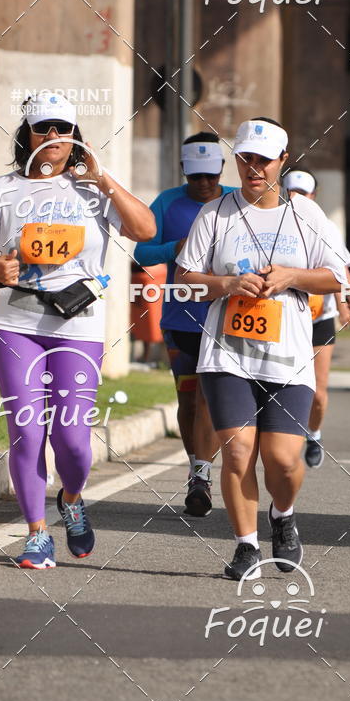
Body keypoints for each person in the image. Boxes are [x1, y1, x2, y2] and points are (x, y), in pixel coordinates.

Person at [0, 91, 155, 569]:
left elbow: (146, 230)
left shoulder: (95, 190)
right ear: (26, 135)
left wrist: (104, 177)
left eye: (62, 128)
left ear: (75, 137)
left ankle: (71, 498)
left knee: (72, 438)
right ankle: (35, 534)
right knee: (27, 432)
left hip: (79, 326)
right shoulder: (3, 190)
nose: (52, 136)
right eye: (42, 127)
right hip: (15, 323)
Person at [175, 117, 348, 580]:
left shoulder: (306, 215)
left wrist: (293, 276)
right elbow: (184, 281)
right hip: (227, 354)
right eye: (245, 158)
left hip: (289, 356)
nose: (253, 168)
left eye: (263, 160)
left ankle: (283, 516)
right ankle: (246, 547)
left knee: (283, 459)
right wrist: (225, 283)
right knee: (237, 452)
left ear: (282, 162)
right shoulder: (215, 214)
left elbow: (339, 277)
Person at [134, 133, 235, 516]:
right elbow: (143, 250)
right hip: (180, 318)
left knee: (209, 397)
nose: (205, 184)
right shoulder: (166, 202)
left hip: (224, 318)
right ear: (183, 172)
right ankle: (198, 466)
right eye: (196, 177)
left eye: (211, 175)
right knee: (188, 399)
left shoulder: (236, 201)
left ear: (221, 170)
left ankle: (201, 474)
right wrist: (173, 248)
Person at [282, 169, 350, 468]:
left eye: (304, 193)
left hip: (318, 319)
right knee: (282, 385)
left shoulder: (324, 227)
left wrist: (345, 302)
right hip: (284, 319)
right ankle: (281, 441)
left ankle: (313, 433)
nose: (297, 198)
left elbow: (340, 272)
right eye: (292, 192)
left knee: (317, 393)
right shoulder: (273, 223)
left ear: (313, 196)